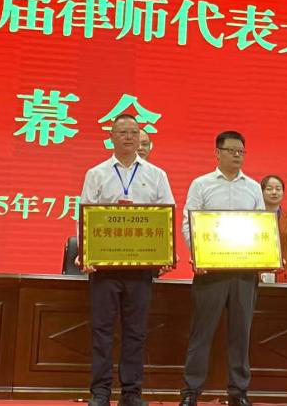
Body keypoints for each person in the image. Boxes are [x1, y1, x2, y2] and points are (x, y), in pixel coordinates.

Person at [80, 114, 175, 406]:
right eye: (122, 132)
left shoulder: (156, 175)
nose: (129, 137)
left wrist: (167, 253)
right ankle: (100, 392)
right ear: (111, 137)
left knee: (136, 332)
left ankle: (132, 393)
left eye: (134, 132)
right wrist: (86, 253)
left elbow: (167, 215)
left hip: (141, 267)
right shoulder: (96, 173)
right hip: (105, 268)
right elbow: (84, 215)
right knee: (102, 331)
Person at [179, 130, 265, 406]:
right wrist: (199, 256)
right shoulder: (201, 184)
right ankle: (191, 392)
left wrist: (263, 259)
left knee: (241, 334)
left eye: (241, 151)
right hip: (211, 272)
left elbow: (262, 227)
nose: (237, 155)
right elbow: (188, 224)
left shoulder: (253, 188)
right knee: (201, 333)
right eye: (231, 150)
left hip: (244, 272)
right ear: (217, 153)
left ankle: (238, 392)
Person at [261, 174, 287, 271]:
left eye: (278, 189)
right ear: (261, 192)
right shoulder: (255, 218)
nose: (274, 192)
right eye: (269, 189)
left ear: (283, 192)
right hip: (262, 270)